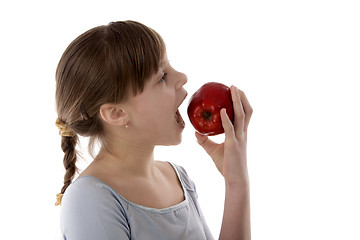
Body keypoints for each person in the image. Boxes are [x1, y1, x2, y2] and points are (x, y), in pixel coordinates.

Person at [54, 20, 252, 240]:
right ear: (117, 113)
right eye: (162, 77)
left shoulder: (179, 178)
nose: (183, 77)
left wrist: (236, 181)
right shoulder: (89, 200)